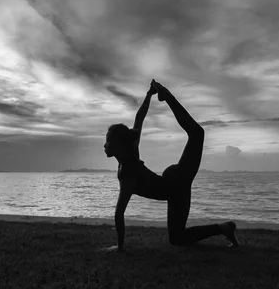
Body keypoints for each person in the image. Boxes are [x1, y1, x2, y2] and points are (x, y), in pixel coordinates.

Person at [102, 80, 240, 252]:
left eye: (108, 141)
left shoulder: (127, 172)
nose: (105, 145)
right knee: (176, 238)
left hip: (177, 184)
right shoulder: (131, 151)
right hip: (173, 187)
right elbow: (139, 118)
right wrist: (148, 95)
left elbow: (118, 214)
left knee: (197, 133)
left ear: (119, 144)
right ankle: (224, 228)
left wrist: (119, 247)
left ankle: (168, 96)